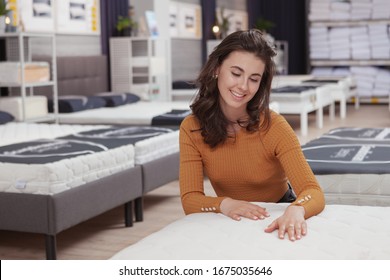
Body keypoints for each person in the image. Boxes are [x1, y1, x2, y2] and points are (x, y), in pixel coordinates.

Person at [179, 29, 325, 242]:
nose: (243, 86)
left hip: (277, 213)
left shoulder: (275, 126)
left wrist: (297, 210)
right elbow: (190, 199)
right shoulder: (191, 128)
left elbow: (313, 191)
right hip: (228, 217)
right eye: (236, 74)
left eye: (254, 79)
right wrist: (225, 204)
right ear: (217, 69)